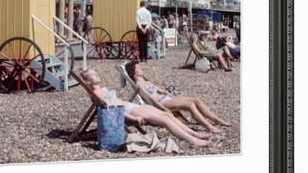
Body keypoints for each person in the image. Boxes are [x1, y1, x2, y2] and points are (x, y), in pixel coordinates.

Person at [80, 69, 210, 148]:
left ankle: (195, 134)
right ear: (87, 82)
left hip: (131, 106)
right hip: (128, 111)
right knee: (164, 120)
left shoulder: (104, 89)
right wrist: (133, 118)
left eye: (96, 73)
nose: (97, 75)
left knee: (167, 114)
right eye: (93, 75)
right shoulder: (96, 94)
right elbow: (111, 109)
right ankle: (193, 140)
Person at [125, 61, 231, 134]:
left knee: (195, 99)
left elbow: (161, 90)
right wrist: (164, 109)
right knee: (190, 104)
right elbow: (151, 100)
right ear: (134, 73)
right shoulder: (139, 85)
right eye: (138, 68)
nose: (141, 68)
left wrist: (170, 94)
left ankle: (216, 120)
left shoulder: (147, 81)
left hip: (167, 98)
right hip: (162, 103)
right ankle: (209, 127)